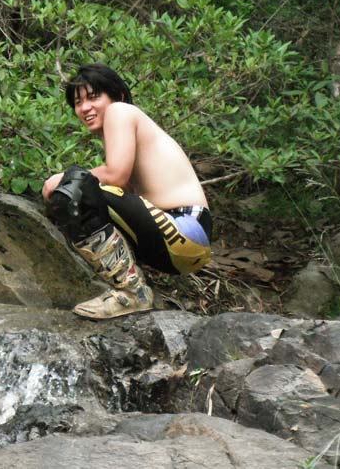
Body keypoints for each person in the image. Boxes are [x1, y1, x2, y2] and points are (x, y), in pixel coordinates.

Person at [42, 63, 212, 320]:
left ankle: (132, 293)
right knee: (80, 191)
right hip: (172, 243)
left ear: (118, 96)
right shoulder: (125, 132)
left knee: (77, 187)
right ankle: (132, 286)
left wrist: (65, 178)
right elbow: (121, 189)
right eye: (78, 102)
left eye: (93, 97)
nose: (85, 107)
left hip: (186, 226)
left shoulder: (120, 111)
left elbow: (115, 175)